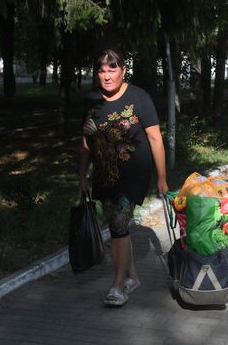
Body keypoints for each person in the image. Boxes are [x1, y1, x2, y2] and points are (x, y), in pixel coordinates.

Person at [79, 49, 168, 307]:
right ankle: (133, 276)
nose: (106, 76)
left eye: (112, 70)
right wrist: (82, 174)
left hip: (134, 175)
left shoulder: (139, 98)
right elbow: (85, 142)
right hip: (105, 174)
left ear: (123, 71)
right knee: (118, 228)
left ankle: (118, 286)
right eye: (102, 71)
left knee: (118, 223)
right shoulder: (92, 100)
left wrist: (162, 177)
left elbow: (155, 138)